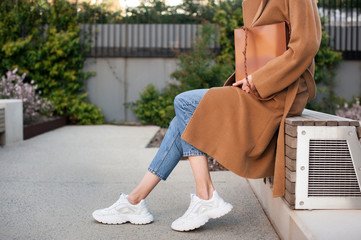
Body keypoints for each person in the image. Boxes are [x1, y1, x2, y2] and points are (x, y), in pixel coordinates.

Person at [92, 0, 321, 232]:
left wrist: (258, 80)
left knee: (185, 103)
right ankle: (135, 200)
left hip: (280, 94)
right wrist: (251, 78)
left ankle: (206, 196)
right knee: (183, 119)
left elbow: (306, 45)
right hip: (258, 88)